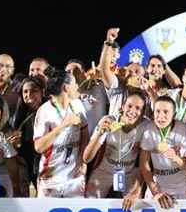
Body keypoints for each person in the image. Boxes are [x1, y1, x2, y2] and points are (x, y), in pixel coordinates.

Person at [33, 68, 89, 197]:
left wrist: (82, 161)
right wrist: (63, 125)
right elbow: (39, 147)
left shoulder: (78, 105)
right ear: (66, 88)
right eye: (74, 84)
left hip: (74, 177)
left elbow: (85, 134)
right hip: (50, 178)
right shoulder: (44, 111)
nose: (77, 87)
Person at [83, 92, 148, 204]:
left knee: (135, 206)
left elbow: (145, 162)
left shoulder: (146, 126)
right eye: (129, 106)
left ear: (142, 113)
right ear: (122, 107)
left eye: (138, 108)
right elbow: (86, 158)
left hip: (129, 173)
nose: (132, 111)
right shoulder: (108, 121)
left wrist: (137, 190)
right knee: (90, 204)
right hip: (104, 171)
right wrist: (99, 133)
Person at [140, 96, 186, 207]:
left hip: (181, 186)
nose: (161, 116)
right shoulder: (149, 130)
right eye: (157, 111)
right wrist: (156, 192)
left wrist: (175, 158)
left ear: (174, 114)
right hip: (158, 185)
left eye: (166, 112)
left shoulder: (182, 129)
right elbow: (144, 165)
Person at [8, 76, 45, 194]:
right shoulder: (19, 116)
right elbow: (18, 147)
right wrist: (16, 143)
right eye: (25, 91)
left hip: (46, 162)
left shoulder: (50, 111)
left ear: (42, 92)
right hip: (27, 163)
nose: (29, 94)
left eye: (34, 90)